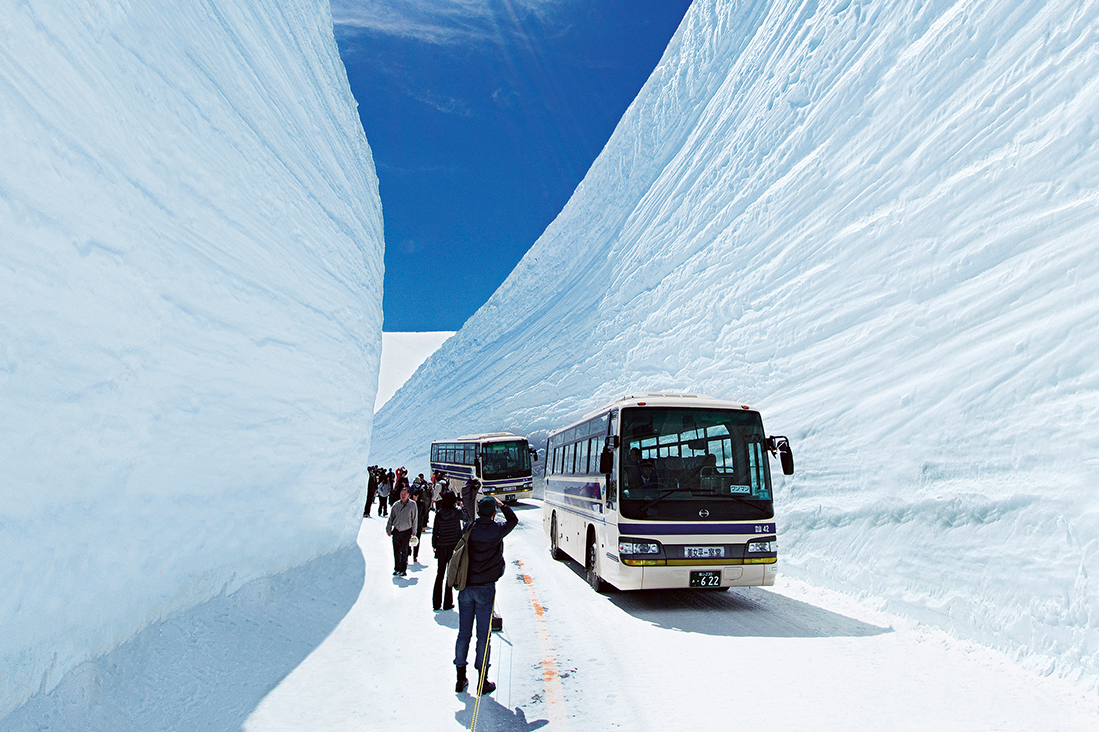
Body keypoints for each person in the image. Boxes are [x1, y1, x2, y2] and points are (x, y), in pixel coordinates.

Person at [453, 496, 517, 695]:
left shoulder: (470, 529)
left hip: (466, 587)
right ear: (493, 512)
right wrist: (503, 505)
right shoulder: (496, 531)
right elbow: (513, 521)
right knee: (483, 635)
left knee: (464, 633)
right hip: (486, 588)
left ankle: (460, 678)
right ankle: (482, 680)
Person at [431, 492, 468, 611]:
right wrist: (463, 506)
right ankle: (447, 602)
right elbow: (467, 518)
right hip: (454, 548)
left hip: (442, 547)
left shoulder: (439, 514)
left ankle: (436, 603)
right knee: (450, 575)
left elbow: (435, 531)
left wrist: (434, 545)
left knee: (439, 574)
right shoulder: (457, 512)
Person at [386, 485, 418, 576]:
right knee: (396, 550)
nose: (403, 496)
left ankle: (403, 569)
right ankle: (397, 568)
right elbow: (391, 518)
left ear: (408, 494)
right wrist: (388, 528)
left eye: (405, 494)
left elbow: (414, 519)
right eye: (401, 494)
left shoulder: (412, 505)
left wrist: (414, 531)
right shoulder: (396, 505)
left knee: (404, 551)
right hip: (396, 531)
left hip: (406, 531)